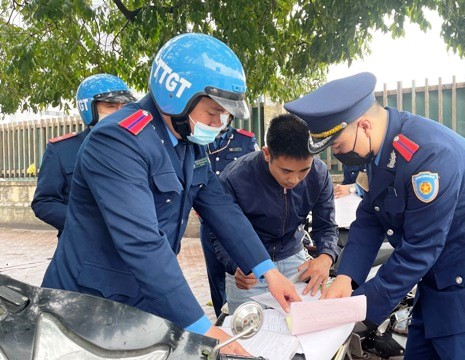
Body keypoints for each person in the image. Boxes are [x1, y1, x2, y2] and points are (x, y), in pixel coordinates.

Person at [41, 33, 300, 355]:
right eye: (213, 112)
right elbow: (141, 240)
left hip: (149, 291)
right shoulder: (117, 141)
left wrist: (268, 271)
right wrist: (203, 329)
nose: (219, 124)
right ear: (176, 95)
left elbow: (220, 206)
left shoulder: (188, 138)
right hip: (91, 299)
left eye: (225, 116)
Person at [284, 72, 465, 359]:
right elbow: (370, 217)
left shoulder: (430, 158)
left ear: (365, 126)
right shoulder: (378, 151)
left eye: (338, 146)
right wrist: (346, 277)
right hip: (434, 288)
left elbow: (420, 249)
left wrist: (355, 308)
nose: (337, 154)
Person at [212, 113, 340, 313]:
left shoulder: (320, 174)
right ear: (266, 154)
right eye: (286, 171)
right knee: (250, 333)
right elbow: (220, 232)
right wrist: (235, 264)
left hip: (294, 260)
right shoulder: (234, 178)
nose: (294, 180)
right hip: (250, 265)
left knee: (302, 326)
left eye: (303, 170)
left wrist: (326, 256)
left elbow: (326, 225)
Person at [31, 74, 136, 236]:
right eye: (111, 106)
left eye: (124, 106)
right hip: (80, 248)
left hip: (130, 247)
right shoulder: (62, 150)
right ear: (88, 108)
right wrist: (85, 223)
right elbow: (44, 202)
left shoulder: (139, 147)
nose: (120, 112)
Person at [200, 117, 260, 316]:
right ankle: (221, 318)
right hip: (207, 222)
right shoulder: (198, 138)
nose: (218, 116)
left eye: (224, 111)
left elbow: (256, 178)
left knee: (241, 273)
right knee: (215, 276)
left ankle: (243, 319)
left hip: (236, 223)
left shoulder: (245, 141)